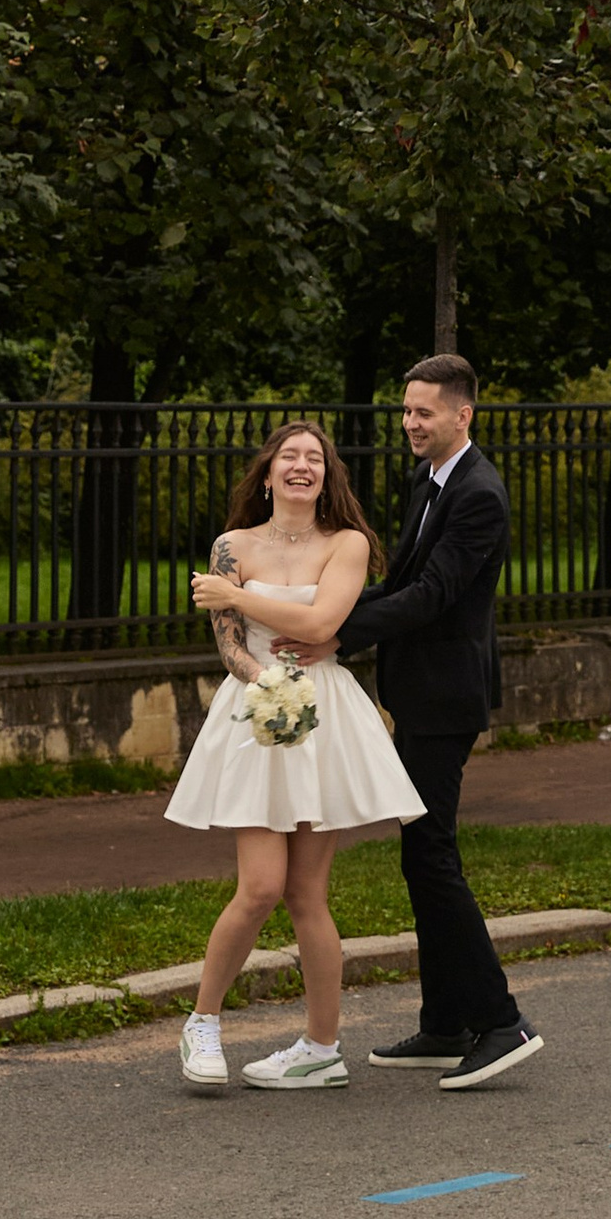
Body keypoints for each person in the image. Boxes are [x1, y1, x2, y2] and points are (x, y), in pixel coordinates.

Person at [169, 417, 422, 1093]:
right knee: (259, 886)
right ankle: (202, 1021)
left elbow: (320, 625)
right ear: (269, 469)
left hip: (326, 716)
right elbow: (229, 646)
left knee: (308, 891)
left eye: (315, 456)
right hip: (258, 711)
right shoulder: (232, 544)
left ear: (327, 474)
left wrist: (235, 594)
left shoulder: (348, 543)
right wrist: (268, 685)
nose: (302, 465)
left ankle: (320, 1044)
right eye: (291, 455)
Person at [331, 354, 543, 1091]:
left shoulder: (479, 492)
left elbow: (435, 594)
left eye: (424, 412)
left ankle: (501, 1019)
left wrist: (336, 632)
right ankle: (446, 1023)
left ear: (464, 415)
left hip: (446, 698)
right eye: (406, 409)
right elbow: (404, 579)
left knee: (432, 854)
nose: (410, 423)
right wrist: (340, 605)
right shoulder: (431, 479)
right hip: (419, 693)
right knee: (419, 852)